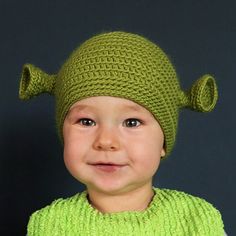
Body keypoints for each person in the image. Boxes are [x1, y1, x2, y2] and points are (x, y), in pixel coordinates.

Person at [19, 31, 225, 235]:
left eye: (132, 122)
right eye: (87, 121)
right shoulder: (50, 225)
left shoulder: (197, 220)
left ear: (163, 142)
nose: (106, 141)